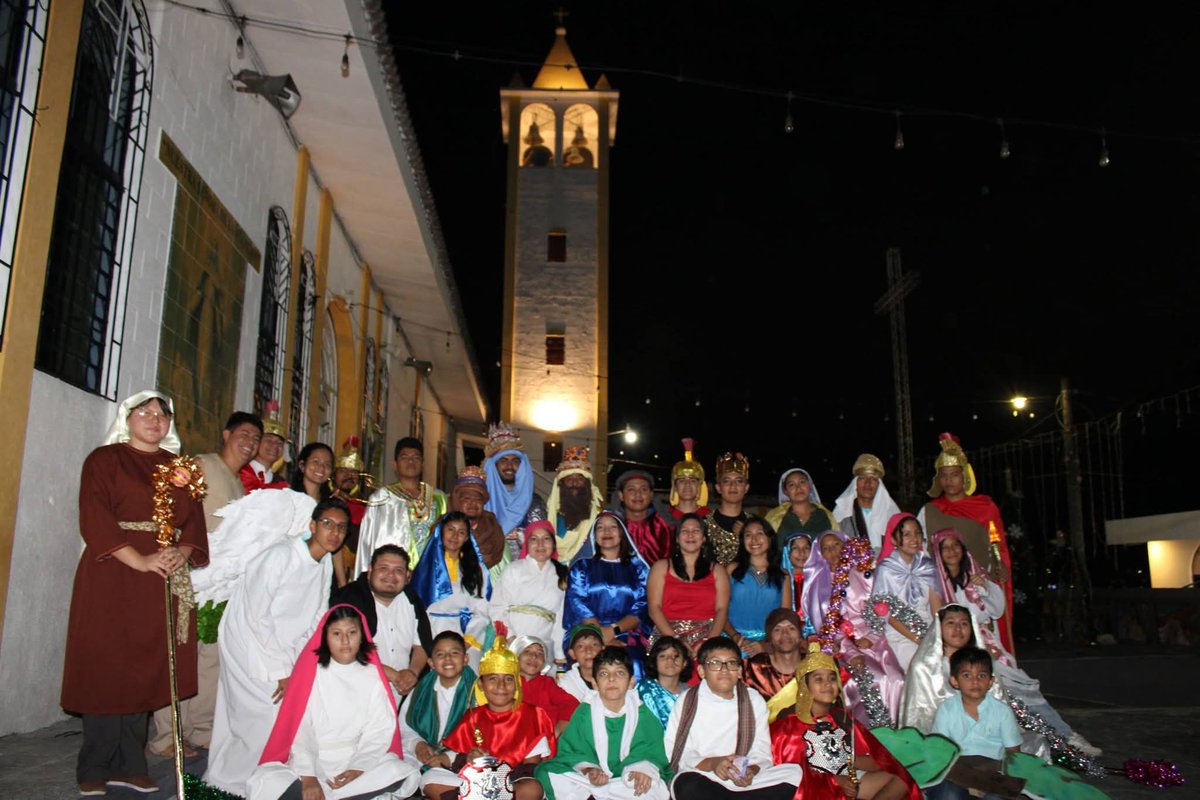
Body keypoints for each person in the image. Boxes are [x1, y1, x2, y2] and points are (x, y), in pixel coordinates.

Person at [62, 391, 207, 797]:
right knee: (106, 664)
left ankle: (131, 762)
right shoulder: (104, 460)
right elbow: (95, 515)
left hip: (161, 575)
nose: (155, 418)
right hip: (114, 573)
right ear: (127, 418)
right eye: (145, 411)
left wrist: (180, 552)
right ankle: (94, 763)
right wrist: (140, 560)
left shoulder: (178, 468)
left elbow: (192, 521)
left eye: (162, 413)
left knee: (146, 663)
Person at [205, 498, 349, 796]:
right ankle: (231, 783)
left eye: (341, 527)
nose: (334, 532)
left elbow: (315, 617)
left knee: (289, 712)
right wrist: (281, 670)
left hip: (283, 646)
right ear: (312, 526)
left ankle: (266, 780)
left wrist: (299, 664)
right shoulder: (280, 555)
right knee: (261, 716)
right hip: (248, 643)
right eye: (327, 524)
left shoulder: (322, 564)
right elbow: (256, 616)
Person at [150, 410, 262, 757]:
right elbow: (169, 507)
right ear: (226, 434)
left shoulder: (238, 484)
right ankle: (168, 735)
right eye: (244, 434)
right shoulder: (200, 465)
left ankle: (201, 729)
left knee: (210, 657)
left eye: (255, 439)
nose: (250, 443)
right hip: (191, 576)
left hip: (220, 584)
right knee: (181, 656)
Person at [246, 605, 420, 800]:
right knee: (266, 779)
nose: (345, 641)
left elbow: (380, 728)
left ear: (362, 636)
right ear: (325, 637)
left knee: (400, 771)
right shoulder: (312, 674)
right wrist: (309, 777)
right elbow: (300, 728)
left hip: (355, 757)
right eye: (337, 633)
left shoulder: (372, 675)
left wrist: (359, 767)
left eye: (352, 633)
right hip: (313, 759)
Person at [901, 604, 1099, 759]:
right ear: (939, 628)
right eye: (950, 623)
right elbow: (918, 716)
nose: (958, 629)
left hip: (987, 734)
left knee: (1036, 742)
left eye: (964, 623)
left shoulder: (983, 663)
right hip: (943, 737)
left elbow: (998, 701)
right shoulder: (924, 667)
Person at [768, 643, 919, 800]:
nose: (827, 684)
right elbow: (793, 776)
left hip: (849, 779)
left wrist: (848, 758)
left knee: (901, 779)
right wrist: (836, 781)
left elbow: (878, 761)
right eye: (818, 679)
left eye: (832, 679)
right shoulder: (789, 726)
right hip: (813, 789)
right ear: (805, 687)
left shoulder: (842, 718)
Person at [663, 638, 799, 799]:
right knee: (685, 783)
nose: (724, 669)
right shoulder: (687, 700)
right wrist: (714, 764)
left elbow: (761, 753)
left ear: (740, 670)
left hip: (742, 779)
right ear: (701, 671)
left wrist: (750, 771)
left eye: (731, 663)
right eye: (715, 663)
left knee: (794, 773)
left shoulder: (753, 700)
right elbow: (676, 752)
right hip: (704, 776)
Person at [917, 433, 1015, 654]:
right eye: (944, 475)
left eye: (954, 474)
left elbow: (997, 547)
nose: (949, 480)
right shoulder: (928, 511)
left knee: (988, 651)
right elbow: (921, 551)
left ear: (965, 476)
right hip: (944, 589)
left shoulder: (985, 507)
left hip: (979, 587)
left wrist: (1000, 568)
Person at [536, 646, 671, 800]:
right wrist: (589, 770)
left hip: (625, 779)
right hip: (591, 780)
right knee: (546, 772)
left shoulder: (643, 713)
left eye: (619, 673)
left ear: (631, 682)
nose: (611, 679)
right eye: (604, 673)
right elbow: (573, 751)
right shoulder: (584, 712)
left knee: (652, 785)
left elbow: (651, 751)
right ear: (594, 683)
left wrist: (642, 769)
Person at [802, 531, 905, 725]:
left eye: (837, 545)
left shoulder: (863, 574)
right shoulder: (819, 586)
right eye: (827, 548)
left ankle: (896, 733)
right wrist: (850, 652)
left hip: (875, 641)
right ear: (820, 554)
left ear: (846, 546)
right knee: (876, 679)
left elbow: (880, 609)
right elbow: (828, 628)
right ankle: (872, 735)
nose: (833, 551)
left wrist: (872, 638)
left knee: (897, 679)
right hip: (843, 647)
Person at [441, 634, 558, 800]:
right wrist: (470, 759)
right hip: (477, 780)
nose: (501, 686)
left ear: (517, 683)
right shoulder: (473, 716)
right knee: (431, 779)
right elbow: (460, 757)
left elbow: (531, 766)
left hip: (514, 780)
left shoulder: (533, 715)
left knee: (532, 788)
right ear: (481, 684)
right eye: (493, 679)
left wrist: (500, 779)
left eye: (508, 679)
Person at [330, 544, 432, 702]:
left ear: (408, 576)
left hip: (399, 693)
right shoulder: (349, 599)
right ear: (370, 570)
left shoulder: (412, 601)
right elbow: (347, 649)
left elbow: (421, 644)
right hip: (353, 691)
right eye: (383, 568)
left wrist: (412, 673)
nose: (390, 575)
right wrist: (395, 676)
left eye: (398, 570)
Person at [925, 646, 1022, 800]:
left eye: (982, 675)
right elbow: (940, 749)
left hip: (992, 770)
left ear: (991, 681)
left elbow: (1013, 751)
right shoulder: (947, 710)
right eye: (967, 675)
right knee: (948, 795)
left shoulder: (1002, 711)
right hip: (957, 770)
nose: (975, 681)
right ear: (955, 681)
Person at [563, 512, 651, 678]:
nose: (607, 532)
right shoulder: (581, 567)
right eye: (600, 528)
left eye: (612, 527)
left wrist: (613, 631)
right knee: (589, 660)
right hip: (587, 632)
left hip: (627, 632)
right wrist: (599, 636)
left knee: (634, 662)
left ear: (622, 532)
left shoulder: (639, 569)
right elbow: (577, 603)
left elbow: (642, 606)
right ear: (594, 535)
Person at [398, 631, 477, 800]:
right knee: (396, 768)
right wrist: (417, 744)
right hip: (423, 756)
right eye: (440, 654)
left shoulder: (478, 692)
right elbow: (404, 726)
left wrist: (448, 757)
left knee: (431, 780)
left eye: (454, 653)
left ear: (465, 659)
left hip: (460, 761)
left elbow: (483, 737)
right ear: (431, 663)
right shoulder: (420, 690)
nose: (447, 659)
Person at [410, 511, 491, 669]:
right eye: (450, 530)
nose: (455, 536)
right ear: (441, 531)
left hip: (464, 633)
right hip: (430, 632)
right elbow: (417, 608)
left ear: (467, 537)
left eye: (461, 532)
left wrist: (466, 642)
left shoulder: (476, 568)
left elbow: (481, 610)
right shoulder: (426, 565)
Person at [357, 437, 448, 571]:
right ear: (395, 464)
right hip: (392, 574)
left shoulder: (439, 498)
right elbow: (367, 542)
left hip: (430, 574)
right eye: (404, 457)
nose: (410, 461)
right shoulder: (381, 498)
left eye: (416, 457)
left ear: (422, 463)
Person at [646, 512, 729, 656]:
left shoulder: (718, 571)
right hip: (668, 634)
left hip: (708, 633)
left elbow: (722, 610)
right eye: (685, 531)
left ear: (703, 538)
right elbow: (654, 609)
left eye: (696, 531)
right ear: (677, 539)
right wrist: (676, 639)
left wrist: (708, 641)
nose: (690, 535)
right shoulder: (660, 567)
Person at [490, 520, 569, 662]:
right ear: (526, 543)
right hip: (510, 644)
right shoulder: (513, 569)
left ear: (553, 544)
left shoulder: (562, 575)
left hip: (543, 650)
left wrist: (559, 654)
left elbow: (561, 618)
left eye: (546, 539)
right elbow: (497, 607)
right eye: (534, 539)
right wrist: (513, 640)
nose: (540, 544)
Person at [873, 513, 943, 670]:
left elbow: (936, 608)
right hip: (899, 635)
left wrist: (938, 635)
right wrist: (917, 638)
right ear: (894, 540)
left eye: (918, 533)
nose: (914, 539)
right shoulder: (886, 570)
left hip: (928, 630)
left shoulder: (927, 566)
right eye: (907, 534)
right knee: (923, 666)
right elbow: (885, 613)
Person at [725, 516, 791, 655]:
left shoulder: (782, 575)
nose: (754, 540)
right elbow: (720, 610)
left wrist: (765, 645)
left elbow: (785, 617)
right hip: (732, 642)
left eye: (759, 534)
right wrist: (736, 637)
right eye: (748, 535)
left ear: (770, 538)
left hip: (767, 644)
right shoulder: (732, 570)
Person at [483, 421, 548, 560]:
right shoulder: (481, 501)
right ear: (493, 465)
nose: (509, 465)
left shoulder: (534, 503)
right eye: (503, 460)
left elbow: (542, 546)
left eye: (515, 460)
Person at [545, 446, 605, 562]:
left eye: (580, 479)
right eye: (569, 479)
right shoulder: (550, 515)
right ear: (561, 485)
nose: (574, 483)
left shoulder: (599, 514)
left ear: (587, 483)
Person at [450, 465, 509, 582]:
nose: (473, 504)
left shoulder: (494, 531)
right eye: (467, 499)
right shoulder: (441, 529)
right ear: (457, 500)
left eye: (478, 499)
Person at [832, 454, 901, 553]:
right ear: (855, 482)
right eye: (863, 478)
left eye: (873, 479)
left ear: (879, 484)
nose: (867, 483)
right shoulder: (841, 514)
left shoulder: (891, 513)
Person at [513, 635, 579, 736]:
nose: (534, 657)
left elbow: (571, 705)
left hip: (545, 744)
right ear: (516, 656)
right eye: (527, 651)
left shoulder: (547, 683)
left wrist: (557, 730)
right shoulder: (506, 683)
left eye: (540, 654)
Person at [764, 468, 837, 558]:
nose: (798, 488)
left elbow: (838, 547)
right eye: (791, 485)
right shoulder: (774, 517)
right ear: (786, 491)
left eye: (802, 482)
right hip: (783, 571)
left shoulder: (826, 516)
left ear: (810, 486)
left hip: (822, 571)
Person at [613, 469, 675, 566]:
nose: (638, 494)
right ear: (621, 496)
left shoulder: (664, 526)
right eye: (631, 489)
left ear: (651, 495)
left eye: (644, 489)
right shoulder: (612, 526)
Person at [741, 609, 805, 701]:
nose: (785, 634)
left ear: (800, 636)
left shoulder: (814, 669)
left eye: (791, 628)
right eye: (777, 629)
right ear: (769, 638)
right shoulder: (750, 670)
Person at [329, 437, 371, 575]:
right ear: (334, 475)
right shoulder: (324, 500)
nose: (349, 475)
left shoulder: (367, 504)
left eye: (353, 472)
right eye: (343, 471)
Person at [704, 452, 753, 565]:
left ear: (746, 488)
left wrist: (748, 535)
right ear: (718, 487)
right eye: (727, 481)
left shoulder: (756, 525)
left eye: (739, 481)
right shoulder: (703, 524)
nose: (733, 486)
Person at [635, 636, 692, 729]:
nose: (670, 660)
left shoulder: (691, 694)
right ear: (654, 662)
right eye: (663, 656)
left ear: (684, 663)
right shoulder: (643, 690)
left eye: (675, 656)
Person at [238, 400, 288, 493]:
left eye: (279, 442)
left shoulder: (281, 484)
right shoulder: (239, 473)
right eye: (268, 439)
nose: (274, 445)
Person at [559, 623, 605, 701]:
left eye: (594, 645)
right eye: (580, 646)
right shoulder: (566, 684)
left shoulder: (614, 677)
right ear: (573, 654)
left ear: (603, 650)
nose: (588, 650)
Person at [668, 437, 710, 520]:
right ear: (675, 486)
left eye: (693, 480)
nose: (687, 484)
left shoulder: (710, 518)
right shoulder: (663, 517)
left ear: (699, 485)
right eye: (681, 480)